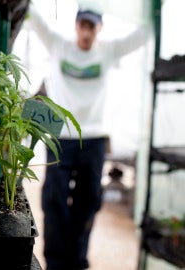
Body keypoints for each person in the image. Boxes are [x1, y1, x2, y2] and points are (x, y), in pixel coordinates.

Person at [27, 3, 149, 270]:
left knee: (90, 198)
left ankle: (77, 258)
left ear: (99, 29)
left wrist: (155, 10)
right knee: (54, 198)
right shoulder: (59, 45)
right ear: (76, 26)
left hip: (94, 138)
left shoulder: (109, 50)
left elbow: (143, 34)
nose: (86, 32)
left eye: (91, 27)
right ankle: (57, 262)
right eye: (83, 25)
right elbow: (34, 18)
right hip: (61, 136)